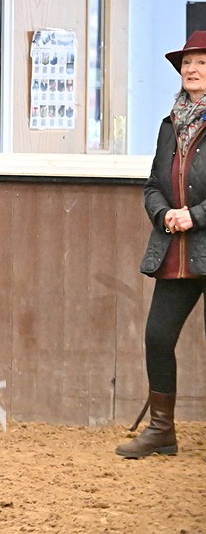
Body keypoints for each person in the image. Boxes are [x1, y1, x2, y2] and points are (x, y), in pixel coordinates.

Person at [115, 31, 206, 459]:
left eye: (202, 63)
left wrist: (197, 215)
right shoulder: (170, 125)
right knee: (157, 335)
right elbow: (153, 185)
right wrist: (163, 213)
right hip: (178, 249)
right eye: (187, 63)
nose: (192, 69)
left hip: (200, 236)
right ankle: (162, 431)